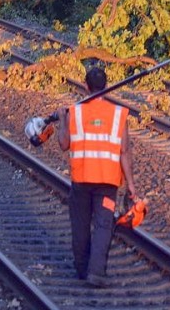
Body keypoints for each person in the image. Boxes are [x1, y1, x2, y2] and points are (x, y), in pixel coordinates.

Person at [56, 66, 137, 288]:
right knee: (103, 225)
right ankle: (97, 272)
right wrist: (131, 185)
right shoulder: (119, 115)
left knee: (80, 224)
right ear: (107, 87)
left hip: (81, 179)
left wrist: (63, 120)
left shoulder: (75, 112)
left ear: (85, 86)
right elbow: (124, 151)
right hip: (108, 182)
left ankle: (82, 269)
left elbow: (64, 144)